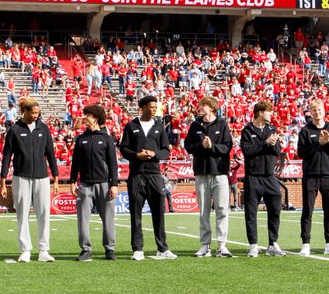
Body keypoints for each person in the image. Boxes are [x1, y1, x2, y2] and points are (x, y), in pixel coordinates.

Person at [0, 96, 60, 263]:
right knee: (22, 214)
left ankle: (43, 250)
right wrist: (3, 181)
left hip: (42, 177)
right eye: (33, 113)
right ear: (24, 111)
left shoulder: (44, 129)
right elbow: (6, 157)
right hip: (21, 177)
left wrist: (56, 177)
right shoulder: (14, 130)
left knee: (44, 214)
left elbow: (51, 155)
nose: (36, 116)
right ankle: (25, 250)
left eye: (37, 113)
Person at [118, 95, 175, 260]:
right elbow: (124, 149)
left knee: (159, 212)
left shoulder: (159, 126)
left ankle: (162, 248)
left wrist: (154, 154)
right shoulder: (131, 126)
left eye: (155, 107)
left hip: (154, 175)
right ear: (142, 108)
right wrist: (136, 155)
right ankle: (137, 249)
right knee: (136, 213)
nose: (154, 110)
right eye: (151, 107)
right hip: (136, 175)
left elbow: (165, 150)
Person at [68, 103, 118, 261]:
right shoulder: (81, 139)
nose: (84, 118)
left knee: (108, 218)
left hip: (104, 184)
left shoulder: (107, 138)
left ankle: (109, 249)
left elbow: (112, 164)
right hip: (84, 185)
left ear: (96, 118)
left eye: (88, 115)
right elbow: (75, 162)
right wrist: (72, 181)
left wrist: (114, 184)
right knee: (82, 220)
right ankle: (85, 249)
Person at [184, 95, 233, 258]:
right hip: (201, 172)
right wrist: (201, 145)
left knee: (222, 209)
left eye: (202, 105)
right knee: (203, 211)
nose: (199, 107)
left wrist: (212, 147)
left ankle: (221, 245)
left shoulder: (222, 124)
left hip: (219, 172)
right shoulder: (195, 125)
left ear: (211, 107)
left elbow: (227, 147)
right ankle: (205, 245)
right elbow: (188, 147)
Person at [296, 99, 329, 256]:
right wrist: (318, 142)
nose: (317, 113)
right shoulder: (305, 130)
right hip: (310, 174)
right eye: (314, 110)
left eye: (320, 110)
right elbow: (301, 153)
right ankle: (306, 243)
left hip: (328, 175)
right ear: (310, 112)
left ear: (324, 111)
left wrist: (326, 143)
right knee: (307, 210)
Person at [240, 100, 285, 257]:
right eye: (269, 111)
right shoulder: (247, 130)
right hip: (253, 177)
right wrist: (264, 143)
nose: (271, 114)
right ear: (260, 113)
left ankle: (273, 243)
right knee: (251, 213)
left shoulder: (272, 129)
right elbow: (247, 151)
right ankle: (253, 244)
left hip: (270, 177)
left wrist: (274, 144)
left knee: (275, 210)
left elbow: (277, 151)